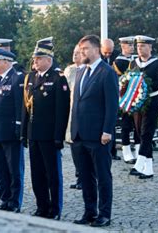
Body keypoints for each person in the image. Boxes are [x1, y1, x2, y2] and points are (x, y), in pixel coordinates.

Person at [71, 35, 118, 227]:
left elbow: (112, 104)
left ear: (97, 50)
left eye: (86, 49)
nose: (82, 52)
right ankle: (89, 211)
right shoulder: (81, 71)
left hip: (99, 135)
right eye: (81, 49)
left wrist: (107, 130)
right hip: (80, 135)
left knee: (102, 176)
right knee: (85, 176)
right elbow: (77, 103)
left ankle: (104, 214)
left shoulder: (107, 72)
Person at [23, 38, 70, 219]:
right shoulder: (31, 78)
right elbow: (25, 108)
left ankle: (55, 208)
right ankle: (41, 205)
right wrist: (24, 133)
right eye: (34, 59)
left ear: (48, 60)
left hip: (50, 135)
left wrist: (59, 136)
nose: (34, 62)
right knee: (37, 174)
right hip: (34, 133)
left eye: (38, 58)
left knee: (53, 174)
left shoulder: (58, 79)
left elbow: (62, 110)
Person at [0, 48, 24, 213]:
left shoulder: (17, 78)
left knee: (14, 168)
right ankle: (5, 198)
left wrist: (18, 128)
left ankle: (14, 201)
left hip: (10, 131)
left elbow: (19, 106)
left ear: (7, 62)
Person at [129, 35, 158, 179]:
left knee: (146, 133)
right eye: (138, 46)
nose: (140, 49)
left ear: (150, 47)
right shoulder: (134, 63)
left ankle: (139, 163)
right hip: (138, 102)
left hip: (152, 101)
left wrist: (143, 85)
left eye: (143, 46)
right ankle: (149, 169)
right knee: (139, 133)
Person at [113, 36, 140, 164]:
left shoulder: (136, 60)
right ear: (123, 46)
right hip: (125, 97)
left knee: (138, 125)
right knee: (126, 125)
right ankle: (127, 152)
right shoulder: (119, 61)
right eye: (129, 45)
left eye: (132, 45)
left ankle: (139, 151)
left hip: (137, 96)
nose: (132, 47)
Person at [63, 44, 84, 190]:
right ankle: (79, 176)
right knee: (74, 147)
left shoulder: (87, 71)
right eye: (74, 52)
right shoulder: (69, 70)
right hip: (70, 113)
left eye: (78, 53)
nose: (75, 55)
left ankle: (85, 177)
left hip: (83, 114)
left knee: (83, 149)